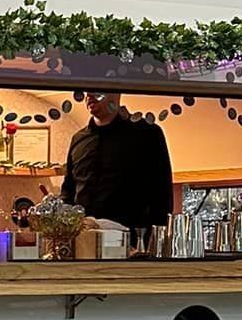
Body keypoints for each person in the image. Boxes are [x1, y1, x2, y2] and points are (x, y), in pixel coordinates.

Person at [61, 91, 174, 233]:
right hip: (82, 238)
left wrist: (154, 244)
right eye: (86, 91)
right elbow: (68, 189)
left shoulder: (146, 134)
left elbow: (162, 194)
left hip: (131, 240)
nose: (89, 95)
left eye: (96, 90)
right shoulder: (78, 139)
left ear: (115, 91)